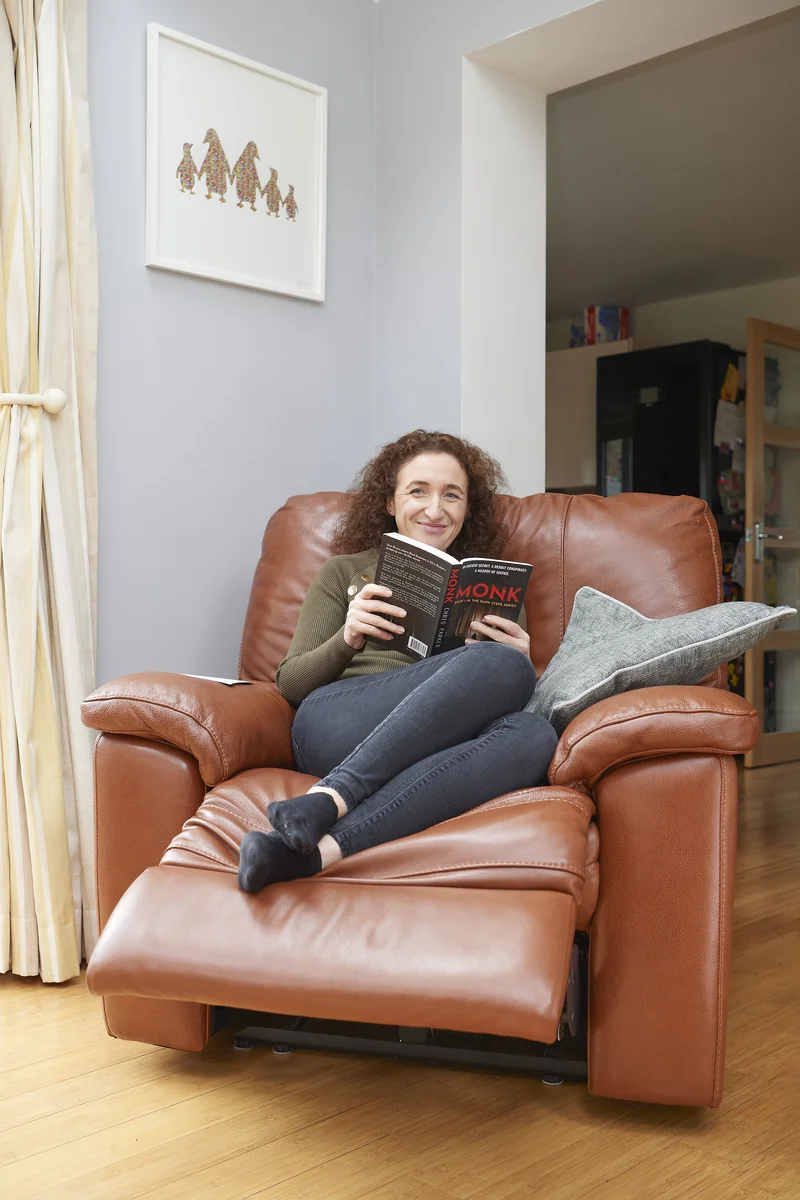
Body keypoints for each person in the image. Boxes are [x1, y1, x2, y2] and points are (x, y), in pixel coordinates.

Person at [238, 430, 558, 893]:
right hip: (339, 722)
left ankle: (307, 854)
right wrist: (347, 637)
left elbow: (504, 691)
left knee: (534, 733)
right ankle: (334, 793)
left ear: (468, 509)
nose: (435, 509)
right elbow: (291, 684)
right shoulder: (344, 572)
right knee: (503, 668)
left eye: (452, 495)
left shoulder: (492, 586)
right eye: (418, 491)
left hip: (435, 744)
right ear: (390, 502)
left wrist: (520, 664)